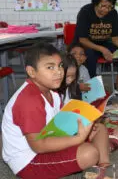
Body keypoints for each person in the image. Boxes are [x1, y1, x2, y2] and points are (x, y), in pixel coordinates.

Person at [1, 43, 110, 179]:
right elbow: (38, 146)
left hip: (47, 141)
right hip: (28, 160)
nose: (58, 72)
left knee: (99, 128)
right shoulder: (29, 100)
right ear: (31, 72)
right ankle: (97, 164)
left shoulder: (52, 93)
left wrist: (83, 123)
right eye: (49, 67)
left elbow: (59, 124)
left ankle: (104, 168)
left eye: (60, 66)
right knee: (89, 153)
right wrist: (78, 138)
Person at [73, 0, 118, 97]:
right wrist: (103, 50)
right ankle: (92, 88)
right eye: (103, 6)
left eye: (110, 7)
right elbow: (82, 39)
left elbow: (115, 38)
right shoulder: (85, 12)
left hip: (103, 43)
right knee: (89, 55)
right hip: (86, 44)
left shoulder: (113, 13)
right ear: (95, 3)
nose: (106, 10)